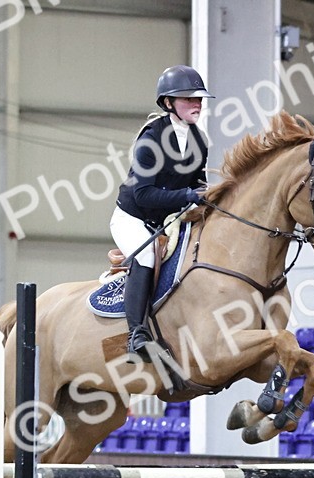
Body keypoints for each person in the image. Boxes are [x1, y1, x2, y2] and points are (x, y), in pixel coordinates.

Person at [112, 65, 213, 361]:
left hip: (167, 220)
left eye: (199, 99)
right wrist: (187, 196)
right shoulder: (150, 140)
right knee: (145, 256)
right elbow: (144, 194)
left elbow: (196, 182)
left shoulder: (199, 141)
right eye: (188, 99)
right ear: (168, 103)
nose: (197, 104)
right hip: (133, 218)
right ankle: (136, 334)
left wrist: (208, 193)